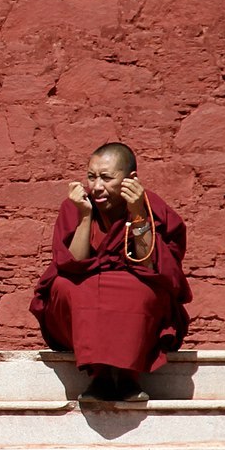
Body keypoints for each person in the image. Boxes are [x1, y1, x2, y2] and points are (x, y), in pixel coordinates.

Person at [31, 142, 191, 402]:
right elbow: (73, 265)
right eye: (91, 177)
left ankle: (128, 377)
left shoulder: (152, 209)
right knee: (65, 287)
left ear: (131, 180)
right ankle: (101, 377)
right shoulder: (76, 205)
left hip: (133, 283)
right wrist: (84, 216)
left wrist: (139, 213)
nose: (96, 187)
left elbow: (148, 265)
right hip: (83, 288)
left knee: (142, 291)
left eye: (106, 178)